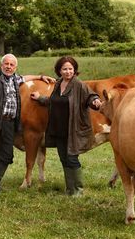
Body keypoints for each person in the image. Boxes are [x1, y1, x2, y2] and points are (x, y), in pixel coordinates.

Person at [0, 54, 55, 195]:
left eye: (12, 65)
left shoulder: (13, 79)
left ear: (15, 67)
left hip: (9, 123)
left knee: (6, 155)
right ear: (1, 65)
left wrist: (40, 77)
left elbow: (24, 78)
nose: (9, 67)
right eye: (6, 64)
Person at [30, 56, 101, 196]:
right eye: (65, 69)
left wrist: (95, 101)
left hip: (72, 129)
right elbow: (53, 101)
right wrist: (40, 98)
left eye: (70, 69)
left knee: (72, 158)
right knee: (64, 159)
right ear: (59, 70)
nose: (68, 72)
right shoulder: (58, 83)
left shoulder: (79, 84)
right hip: (58, 128)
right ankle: (70, 189)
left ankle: (78, 191)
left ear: (74, 70)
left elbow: (90, 97)